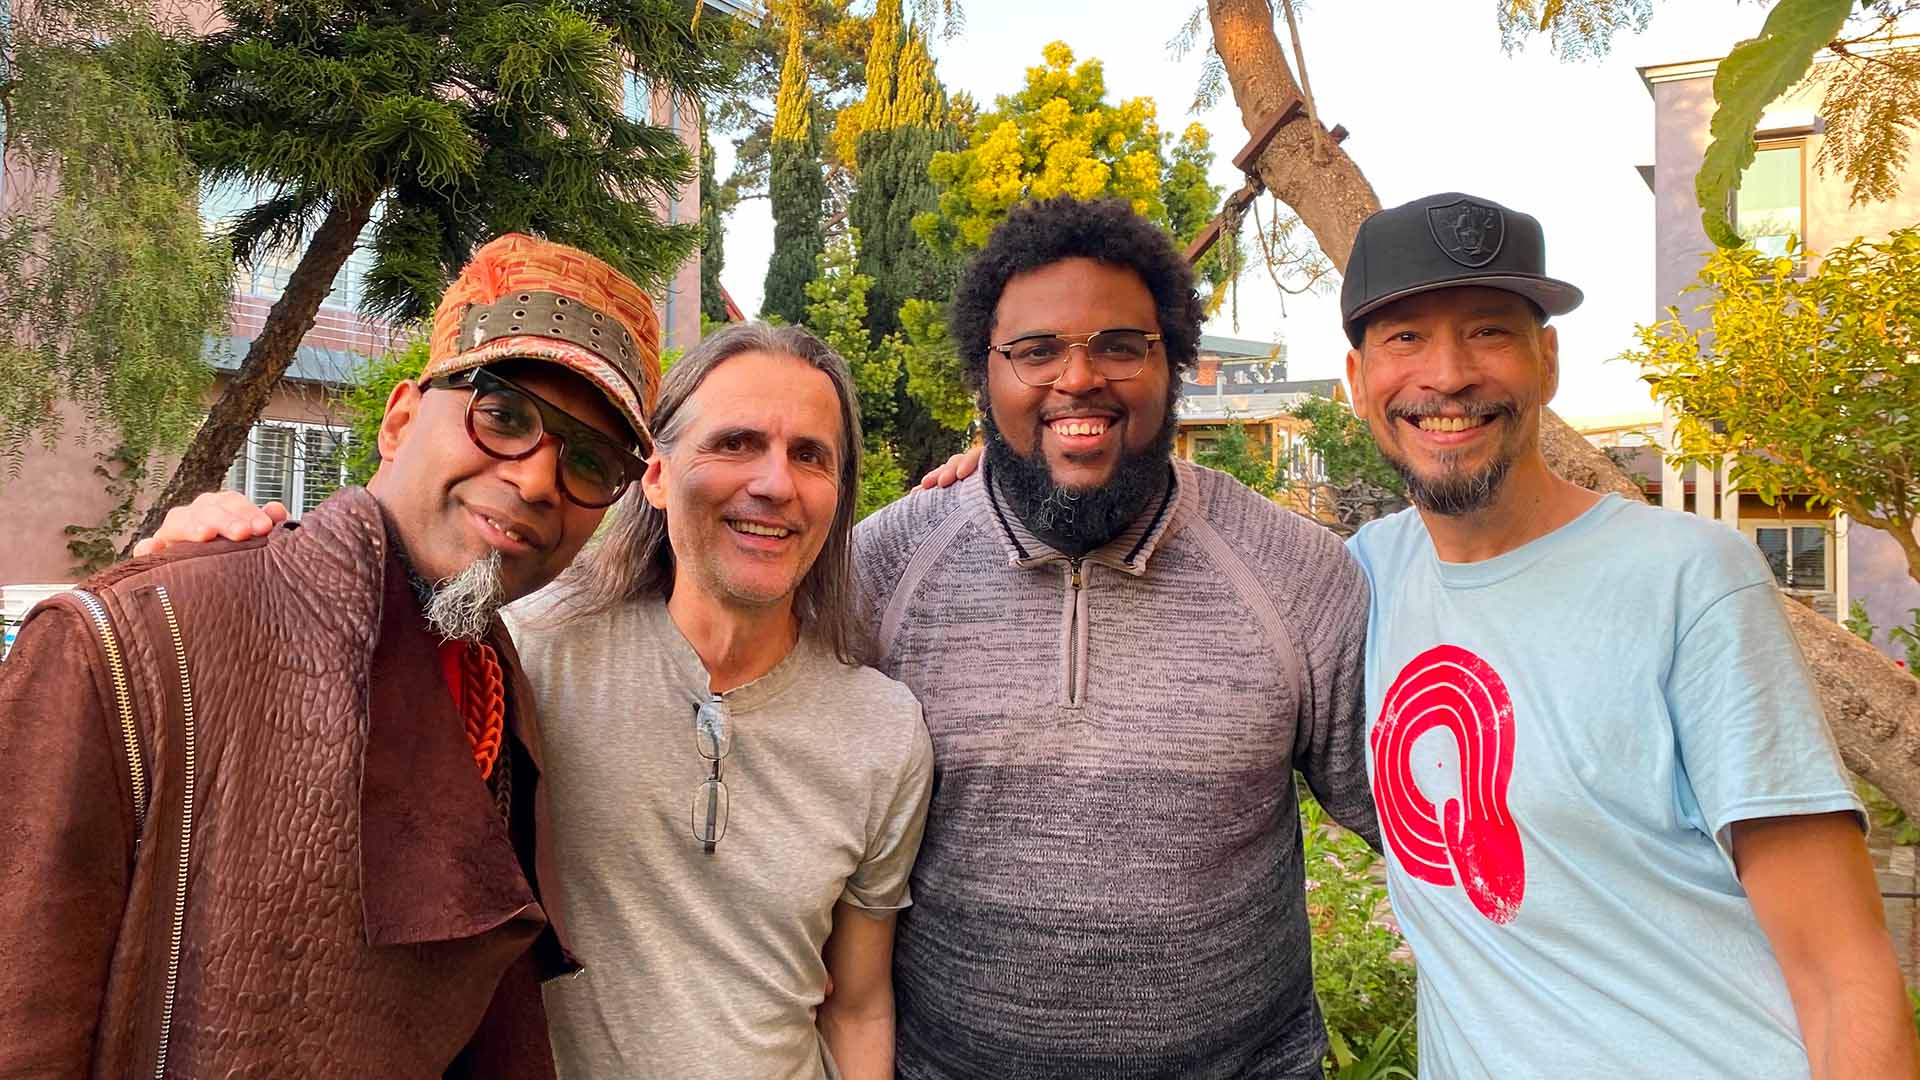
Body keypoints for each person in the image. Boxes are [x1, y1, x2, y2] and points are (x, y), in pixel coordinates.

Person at [143, 323, 934, 1080]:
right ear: (653, 477)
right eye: (736, 443)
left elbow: (857, 1007)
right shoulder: (520, 653)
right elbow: (337, 638)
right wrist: (224, 567)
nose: (774, 483)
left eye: (810, 456)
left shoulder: (882, 731)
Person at [0, 232, 661, 1077]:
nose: (536, 481)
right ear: (399, 421)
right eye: (502, 414)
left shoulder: (501, 680)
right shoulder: (132, 645)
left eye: (592, 460)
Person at [1340, 192, 1918, 1078]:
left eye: (1489, 331)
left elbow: (1843, 964)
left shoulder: (1690, 578)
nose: (1447, 375)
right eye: (1405, 338)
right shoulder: (1365, 575)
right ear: (1357, 381)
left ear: (1548, 360)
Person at [854, 195, 1378, 1078]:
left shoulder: (1297, 573)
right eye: (1035, 351)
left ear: (1175, 366)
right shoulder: (884, 569)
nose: (1078, 377)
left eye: (1120, 346)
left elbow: (1428, 832)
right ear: (983, 378)